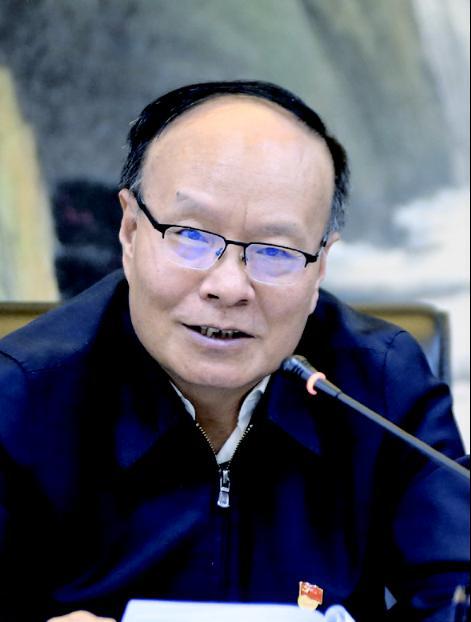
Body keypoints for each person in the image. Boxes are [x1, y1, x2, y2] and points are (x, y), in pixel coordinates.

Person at [0, 81, 468, 622]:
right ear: (129, 230)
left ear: (320, 265)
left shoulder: (379, 382)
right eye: (191, 235)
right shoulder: (20, 396)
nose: (228, 286)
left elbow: (457, 590)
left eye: (275, 250)